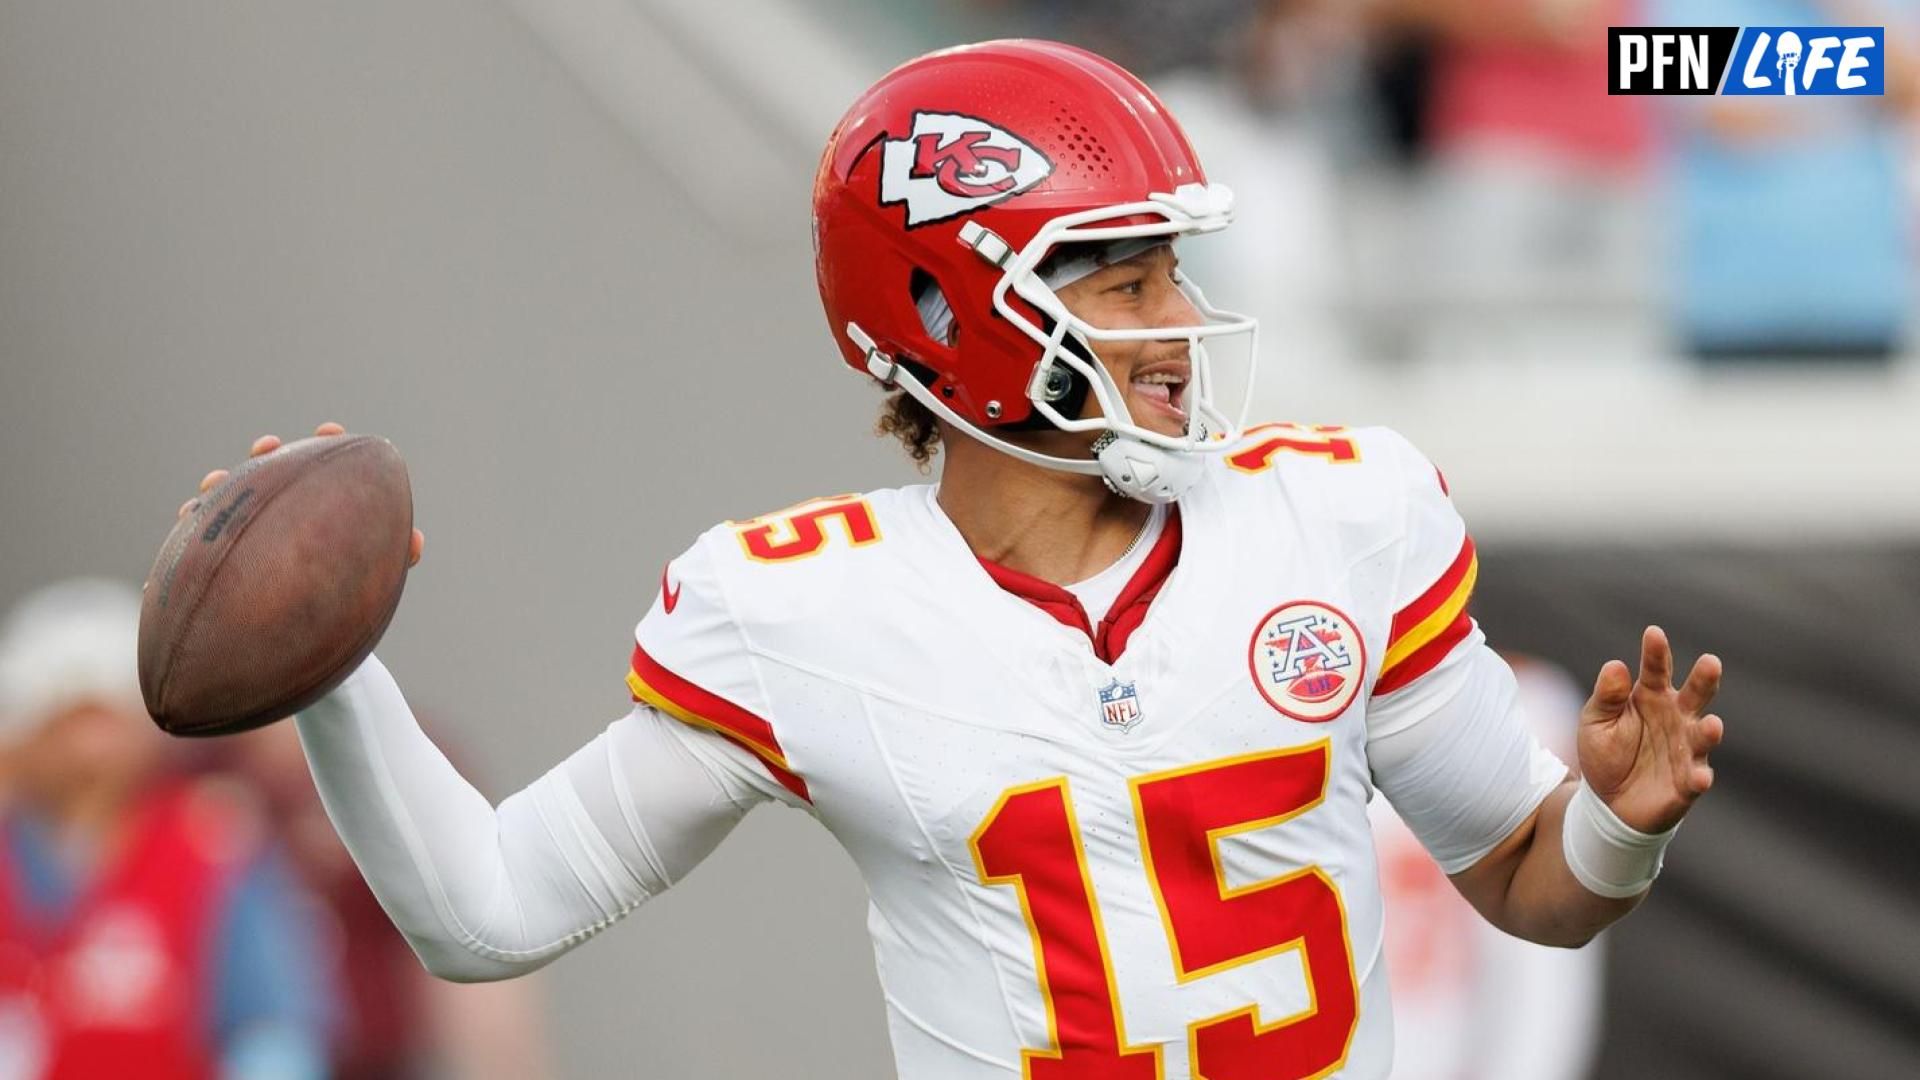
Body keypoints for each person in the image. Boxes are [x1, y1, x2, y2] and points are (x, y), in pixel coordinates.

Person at [177, 40, 1726, 1078]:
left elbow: (1528, 885)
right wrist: (333, 669)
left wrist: (1614, 825)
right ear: (944, 318)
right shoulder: (799, 609)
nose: (1175, 323)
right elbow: (485, 911)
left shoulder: (1339, 517)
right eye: (1123, 282)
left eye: (1171, 272)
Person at [0, 579, 334, 1080]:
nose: (88, 751)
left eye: (103, 721)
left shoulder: (214, 848)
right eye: (66, 723)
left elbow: (272, 1034)